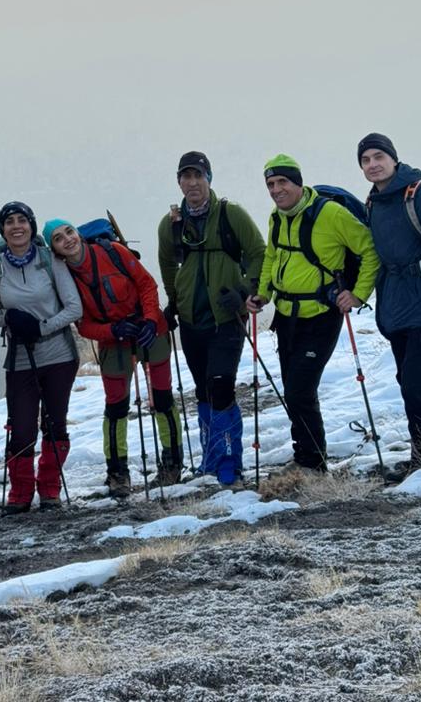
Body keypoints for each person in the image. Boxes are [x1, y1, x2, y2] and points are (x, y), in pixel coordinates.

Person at [246, 155, 379, 473]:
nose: (276, 190)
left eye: (282, 182)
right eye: (270, 184)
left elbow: (369, 249)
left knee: (300, 390)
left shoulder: (330, 214)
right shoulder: (277, 217)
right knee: (293, 389)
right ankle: (306, 456)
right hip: (286, 317)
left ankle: (313, 463)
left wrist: (358, 294)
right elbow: (272, 256)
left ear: (298, 182)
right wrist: (263, 293)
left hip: (321, 316)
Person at [45, 218, 182, 497]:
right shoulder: (65, 279)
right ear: (54, 250)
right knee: (116, 407)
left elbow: (146, 284)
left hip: (150, 332)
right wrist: (113, 330)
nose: (67, 239)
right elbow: (83, 325)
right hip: (113, 342)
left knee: (162, 398)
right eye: (58, 238)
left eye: (69, 232)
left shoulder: (113, 252)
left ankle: (172, 464)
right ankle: (117, 473)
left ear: (78, 234)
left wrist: (150, 320)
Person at [157, 151, 265, 486]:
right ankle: (211, 460)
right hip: (192, 321)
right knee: (203, 391)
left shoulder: (231, 215)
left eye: (198, 176)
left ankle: (230, 464)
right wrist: (173, 302)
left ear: (209, 179)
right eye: (186, 177)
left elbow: (259, 253)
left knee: (220, 386)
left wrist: (245, 290)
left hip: (227, 317)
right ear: (179, 182)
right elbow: (167, 264)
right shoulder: (171, 224)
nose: (192, 183)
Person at [358, 133, 421, 472]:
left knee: (416, 385)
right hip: (397, 311)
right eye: (365, 160)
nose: (373, 165)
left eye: (378, 157)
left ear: (393, 158)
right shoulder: (374, 203)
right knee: (408, 384)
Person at [0, 202, 82, 513]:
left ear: (31, 225)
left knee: (54, 424)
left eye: (22, 220)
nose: (16, 226)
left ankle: (49, 489)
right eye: (9, 221)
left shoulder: (50, 260)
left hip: (59, 354)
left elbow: (74, 307)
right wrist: (10, 318)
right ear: (2, 229)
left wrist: (40, 327)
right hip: (20, 358)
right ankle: (20, 492)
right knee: (21, 427)